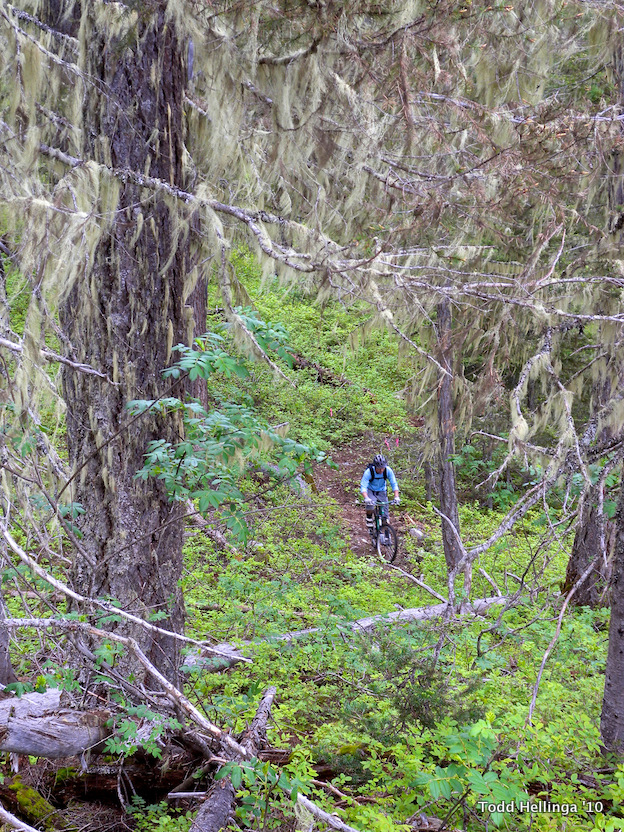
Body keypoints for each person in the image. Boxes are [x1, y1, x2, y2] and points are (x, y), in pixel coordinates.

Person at [360, 454, 399, 538]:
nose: (381, 470)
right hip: (371, 490)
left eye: (383, 468)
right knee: (370, 505)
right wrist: (366, 498)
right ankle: (369, 518)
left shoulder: (388, 471)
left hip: (382, 491)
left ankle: (387, 534)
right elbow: (363, 486)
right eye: (379, 468)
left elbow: (394, 483)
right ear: (375, 466)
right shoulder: (369, 472)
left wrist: (396, 497)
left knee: (385, 514)